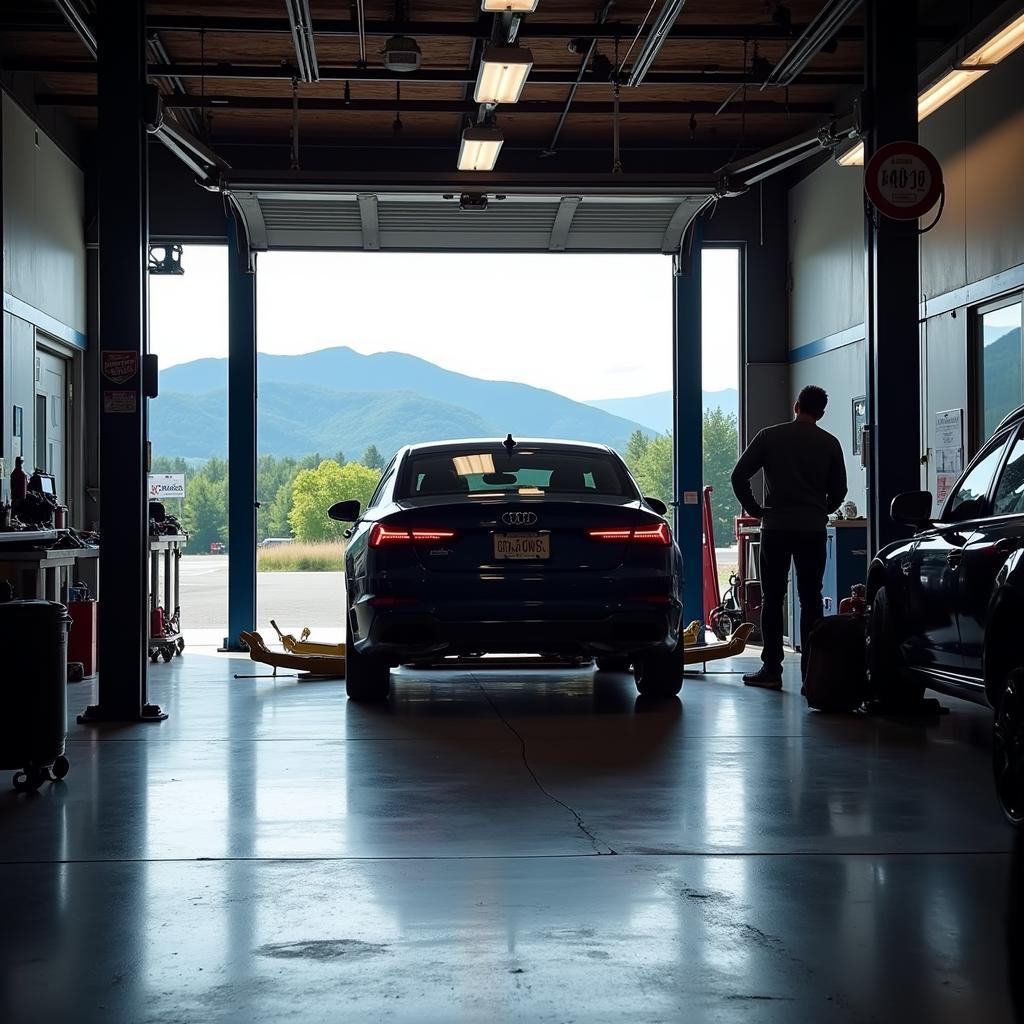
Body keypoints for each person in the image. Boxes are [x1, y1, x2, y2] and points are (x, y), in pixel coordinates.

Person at [730, 385, 847, 690]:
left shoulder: (770, 436)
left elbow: (738, 475)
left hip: (776, 528)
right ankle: (812, 672)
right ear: (821, 413)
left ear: (796, 406)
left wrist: (757, 509)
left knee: (772, 598)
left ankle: (771, 670)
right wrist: (821, 508)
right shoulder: (830, 443)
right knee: (811, 599)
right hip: (812, 530)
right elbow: (840, 491)